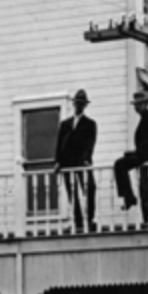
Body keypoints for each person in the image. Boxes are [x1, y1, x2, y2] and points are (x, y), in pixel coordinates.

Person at [114, 91, 148, 224]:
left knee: (145, 187)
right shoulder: (144, 120)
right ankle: (130, 198)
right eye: (135, 105)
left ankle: (145, 216)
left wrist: (134, 155)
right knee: (144, 187)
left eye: (138, 105)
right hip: (144, 157)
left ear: (144, 104)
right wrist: (133, 154)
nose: (136, 107)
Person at [54, 89, 98, 231]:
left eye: (82, 104)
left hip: (82, 162)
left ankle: (90, 219)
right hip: (67, 163)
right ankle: (78, 222)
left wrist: (86, 159)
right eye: (77, 103)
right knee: (72, 193)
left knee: (90, 187)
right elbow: (59, 144)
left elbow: (90, 143)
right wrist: (58, 162)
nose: (79, 106)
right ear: (74, 104)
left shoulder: (90, 124)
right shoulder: (65, 124)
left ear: (85, 106)